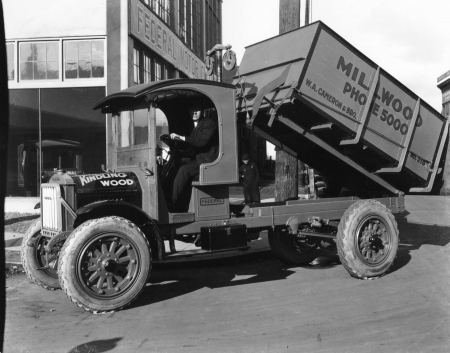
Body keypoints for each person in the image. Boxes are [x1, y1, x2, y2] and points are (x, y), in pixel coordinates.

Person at [169, 104, 219, 209]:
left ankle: (173, 203)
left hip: (207, 160)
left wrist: (181, 138)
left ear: (202, 111)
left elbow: (200, 142)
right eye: (192, 109)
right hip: (198, 158)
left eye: (197, 110)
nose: (194, 113)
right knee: (174, 167)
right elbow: (190, 142)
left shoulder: (209, 123)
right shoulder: (193, 125)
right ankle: (178, 200)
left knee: (184, 169)